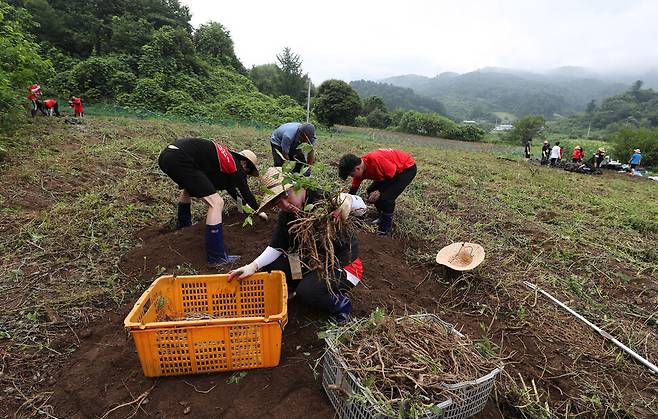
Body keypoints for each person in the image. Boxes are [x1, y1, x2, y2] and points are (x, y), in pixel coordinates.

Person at [228, 167, 367, 323]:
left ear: (299, 185)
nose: (286, 204)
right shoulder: (286, 216)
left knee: (307, 292)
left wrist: (348, 199)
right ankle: (296, 286)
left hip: (344, 265)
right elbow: (277, 246)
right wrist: (253, 266)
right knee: (271, 269)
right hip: (312, 261)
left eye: (286, 196)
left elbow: (361, 208)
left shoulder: (323, 200)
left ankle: (341, 305)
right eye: (278, 202)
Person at [158, 138, 266, 265]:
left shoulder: (226, 161)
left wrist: (242, 209)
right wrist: (259, 210)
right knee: (217, 203)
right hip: (180, 158)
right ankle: (216, 257)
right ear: (244, 163)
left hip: (166, 156)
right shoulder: (237, 166)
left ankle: (184, 226)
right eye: (248, 170)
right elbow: (246, 192)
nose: (246, 174)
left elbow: (232, 191)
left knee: (190, 188)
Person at [338, 148, 416, 236]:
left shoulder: (376, 160)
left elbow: (394, 177)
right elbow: (353, 191)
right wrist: (345, 204)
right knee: (370, 191)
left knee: (386, 199)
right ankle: (381, 216)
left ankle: (384, 229)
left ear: (357, 168)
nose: (352, 177)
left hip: (405, 169)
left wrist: (379, 191)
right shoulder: (359, 170)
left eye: (351, 175)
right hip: (388, 173)